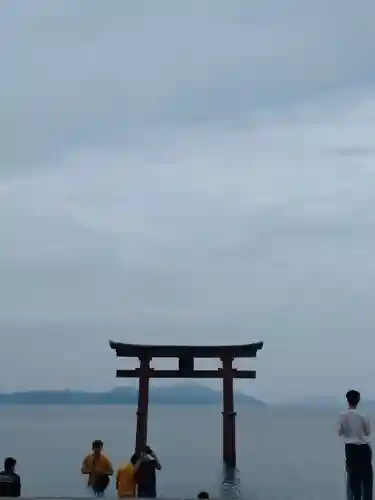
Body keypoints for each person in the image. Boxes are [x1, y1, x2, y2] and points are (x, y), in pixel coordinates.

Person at [338, 389, 373, 500]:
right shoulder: (363, 415)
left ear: (348, 400)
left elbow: (340, 432)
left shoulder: (343, 415)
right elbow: (368, 432)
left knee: (353, 477)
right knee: (366, 478)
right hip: (364, 448)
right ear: (358, 401)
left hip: (350, 448)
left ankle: (354, 498)